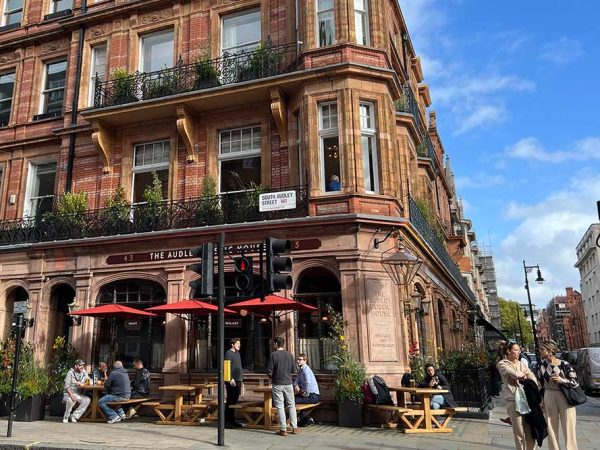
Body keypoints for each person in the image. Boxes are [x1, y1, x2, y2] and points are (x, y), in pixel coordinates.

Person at [496, 341, 539, 450]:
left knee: (530, 429)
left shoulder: (521, 363)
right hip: (513, 400)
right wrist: (523, 375)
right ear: (508, 351)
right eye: (516, 350)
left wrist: (524, 376)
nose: (518, 352)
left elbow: (533, 377)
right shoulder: (502, 364)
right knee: (519, 431)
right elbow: (514, 374)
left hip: (527, 399)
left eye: (519, 350)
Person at [539, 340, 578, 450]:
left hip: (565, 395)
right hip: (549, 395)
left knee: (569, 425)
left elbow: (574, 382)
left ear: (550, 351)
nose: (540, 351)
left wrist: (562, 380)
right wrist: (541, 400)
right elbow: (541, 385)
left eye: (542, 349)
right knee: (551, 426)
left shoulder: (564, 364)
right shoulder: (542, 366)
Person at [267, 336, 298, 436]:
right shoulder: (290, 355)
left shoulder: (273, 355)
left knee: (280, 406)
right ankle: (295, 427)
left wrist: (271, 376)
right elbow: (294, 370)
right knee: (291, 405)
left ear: (276, 344)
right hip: (288, 383)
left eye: (273, 343)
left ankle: (283, 429)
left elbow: (269, 371)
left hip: (277, 384)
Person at [293, 353, 319, 427]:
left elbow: (308, 383)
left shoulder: (306, 370)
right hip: (309, 395)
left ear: (305, 361)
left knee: (292, 400)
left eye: (300, 360)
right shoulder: (301, 370)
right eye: (297, 359)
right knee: (293, 400)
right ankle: (305, 419)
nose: (298, 361)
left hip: (313, 396)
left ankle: (297, 419)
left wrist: (305, 394)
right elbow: (296, 381)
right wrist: (296, 385)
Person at [62, 359, 91, 423]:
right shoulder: (70, 373)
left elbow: (89, 381)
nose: (82, 367)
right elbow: (67, 386)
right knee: (71, 400)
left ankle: (74, 416)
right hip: (68, 393)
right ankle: (66, 416)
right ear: (75, 366)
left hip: (78, 394)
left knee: (87, 400)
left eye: (83, 365)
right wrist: (71, 395)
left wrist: (83, 383)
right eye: (80, 365)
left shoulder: (84, 372)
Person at [224, 338, 244, 428]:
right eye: (237, 344)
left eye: (239, 344)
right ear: (232, 345)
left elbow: (238, 366)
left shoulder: (238, 353)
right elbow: (226, 366)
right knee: (230, 400)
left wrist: (241, 378)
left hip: (238, 379)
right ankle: (227, 421)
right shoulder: (229, 353)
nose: (239, 345)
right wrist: (230, 378)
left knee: (235, 400)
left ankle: (232, 420)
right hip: (231, 380)